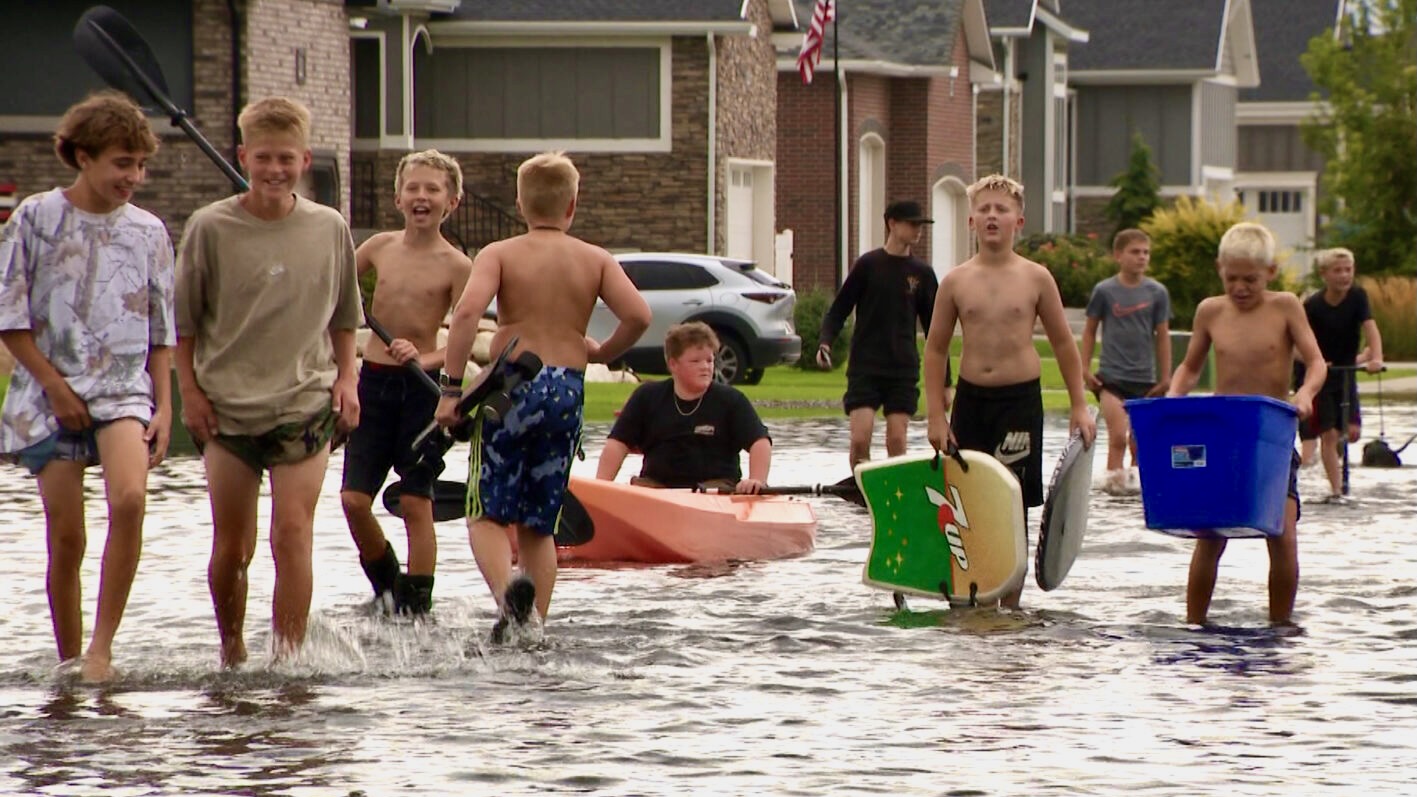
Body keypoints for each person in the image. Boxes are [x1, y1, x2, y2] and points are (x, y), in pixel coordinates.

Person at [175, 97, 363, 667]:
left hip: (304, 405)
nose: (275, 170)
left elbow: (345, 317)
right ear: (242, 157)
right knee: (232, 548)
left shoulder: (329, 228)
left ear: (305, 159)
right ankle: (232, 654)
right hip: (226, 410)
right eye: (263, 159)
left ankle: (287, 662)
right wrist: (189, 393)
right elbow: (181, 324)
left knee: (292, 535)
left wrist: (348, 379)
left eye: (286, 158)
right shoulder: (209, 227)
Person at [435, 151, 650, 641]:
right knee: (540, 521)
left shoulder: (501, 253)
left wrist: (451, 390)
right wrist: (599, 353)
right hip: (566, 390)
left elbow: (467, 313)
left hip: (512, 383)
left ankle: (508, 595)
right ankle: (533, 629)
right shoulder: (595, 258)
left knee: (485, 511)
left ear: (519, 202)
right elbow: (638, 314)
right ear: (572, 205)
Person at [0, 92, 174, 683]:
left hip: (124, 390)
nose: (134, 176)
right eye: (122, 163)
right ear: (82, 156)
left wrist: (166, 405)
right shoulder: (36, 217)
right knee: (67, 537)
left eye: (140, 165)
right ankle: (69, 658)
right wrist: (54, 387)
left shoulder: (150, 231)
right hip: (47, 394)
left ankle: (102, 651)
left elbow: (162, 330)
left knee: (129, 500)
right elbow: (12, 317)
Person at [921, 174, 1096, 609]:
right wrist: (936, 416)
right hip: (971, 402)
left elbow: (1063, 345)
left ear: (1019, 221)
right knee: (968, 504)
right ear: (971, 221)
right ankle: (972, 594)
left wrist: (1079, 405)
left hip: (1019, 403)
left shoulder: (1036, 278)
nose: (992, 216)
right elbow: (936, 348)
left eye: (1001, 210)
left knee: (1013, 503)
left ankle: (1010, 606)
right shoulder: (956, 282)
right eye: (984, 209)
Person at [1169, 222, 1326, 626]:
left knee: (1283, 536)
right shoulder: (1210, 311)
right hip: (1223, 437)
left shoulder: (1286, 306)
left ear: (1271, 272)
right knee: (1209, 538)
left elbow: (1315, 361)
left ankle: (1280, 625)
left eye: (1250, 280)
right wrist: (1173, 400)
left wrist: (1305, 393)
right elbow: (1189, 367)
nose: (1240, 287)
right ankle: (1194, 623)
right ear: (1220, 268)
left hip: (1271, 439)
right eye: (1232, 278)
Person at [339, 150, 471, 616]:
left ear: (451, 202)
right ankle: (389, 584)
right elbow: (333, 289)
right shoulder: (377, 247)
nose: (422, 197)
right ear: (398, 197)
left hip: (422, 390)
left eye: (433, 189)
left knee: (416, 501)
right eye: (413, 188)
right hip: (371, 385)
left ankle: (418, 603)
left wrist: (424, 355)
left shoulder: (457, 265)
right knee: (354, 500)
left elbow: (463, 338)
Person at [817, 200, 939, 468]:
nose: (918, 230)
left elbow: (935, 330)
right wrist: (825, 343)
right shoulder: (868, 265)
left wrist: (946, 381)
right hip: (866, 367)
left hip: (903, 369)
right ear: (892, 223)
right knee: (860, 438)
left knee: (897, 439)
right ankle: (860, 491)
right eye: (912, 224)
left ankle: (895, 497)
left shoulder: (923, 274)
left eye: (921, 225)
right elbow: (839, 310)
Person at [596, 322, 771, 493]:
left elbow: (760, 442)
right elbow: (617, 444)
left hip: (714, 492)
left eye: (710, 360)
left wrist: (756, 481)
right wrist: (600, 487)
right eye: (695, 361)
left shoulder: (732, 400)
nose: (705, 367)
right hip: (655, 491)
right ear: (673, 364)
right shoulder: (646, 396)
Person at [1079, 229, 1172, 494]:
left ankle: (1137, 492)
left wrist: (1165, 378)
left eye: (1146, 252)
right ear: (1118, 255)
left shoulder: (1157, 292)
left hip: (1146, 381)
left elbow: (1163, 336)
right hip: (1112, 379)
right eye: (1135, 252)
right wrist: (1084, 369)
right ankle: (1113, 491)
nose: (1141, 257)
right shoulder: (1105, 291)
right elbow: (1089, 331)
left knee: (1140, 442)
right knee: (1118, 437)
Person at [1295, 248, 1384, 503]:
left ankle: (1340, 470)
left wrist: (1376, 357)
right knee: (1329, 434)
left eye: (1349, 270)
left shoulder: (1358, 297)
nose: (1344, 275)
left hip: (1346, 374)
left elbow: (1370, 327)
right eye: (1337, 271)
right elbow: (1296, 345)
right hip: (1321, 375)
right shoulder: (1312, 306)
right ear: (1324, 275)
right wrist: (1315, 361)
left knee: (1352, 431)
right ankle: (1336, 490)